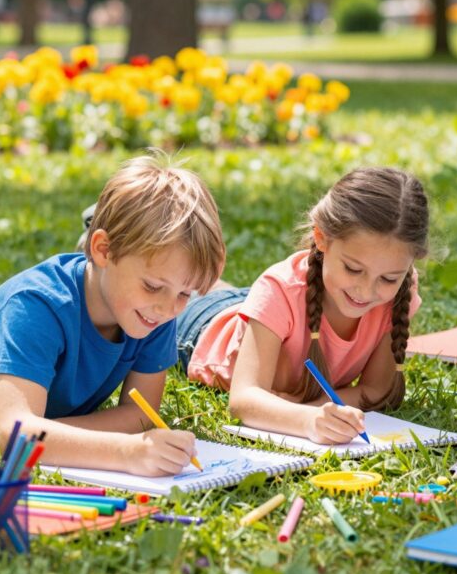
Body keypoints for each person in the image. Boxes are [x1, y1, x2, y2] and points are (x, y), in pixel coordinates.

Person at [0, 153, 226, 475]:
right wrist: (128, 452)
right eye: (152, 286)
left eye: (184, 293)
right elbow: (16, 436)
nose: (169, 308)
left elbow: (140, 413)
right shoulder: (35, 306)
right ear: (103, 250)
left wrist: (51, 431)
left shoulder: (154, 312)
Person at [178, 167, 427, 444]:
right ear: (321, 238)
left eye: (389, 278)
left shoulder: (396, 295)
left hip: (273, 307)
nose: (366, 290)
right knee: (182, 289)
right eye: (353, 269)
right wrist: (307, 419)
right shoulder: (279, 289)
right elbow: (244, 400)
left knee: (250, 297)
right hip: (204, 325)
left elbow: (376, 390)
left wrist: (311, 405)